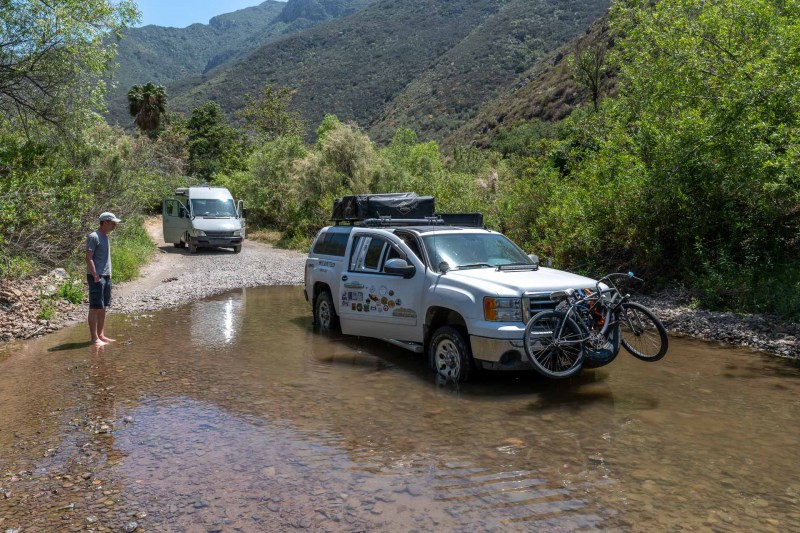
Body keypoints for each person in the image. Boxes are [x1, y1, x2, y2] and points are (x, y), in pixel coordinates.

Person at [86, 212, 121, 346]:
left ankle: (101, 335)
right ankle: (94, 338)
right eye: (113, 223)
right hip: (96, 276)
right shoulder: (94, 236)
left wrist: (109, 273)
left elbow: (105, 259)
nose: (114, 225)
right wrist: (95, 274)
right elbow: (88, 257)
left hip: (106, 276)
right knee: (95, 307)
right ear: (105, 222)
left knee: (103, 307)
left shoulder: (105, 237)